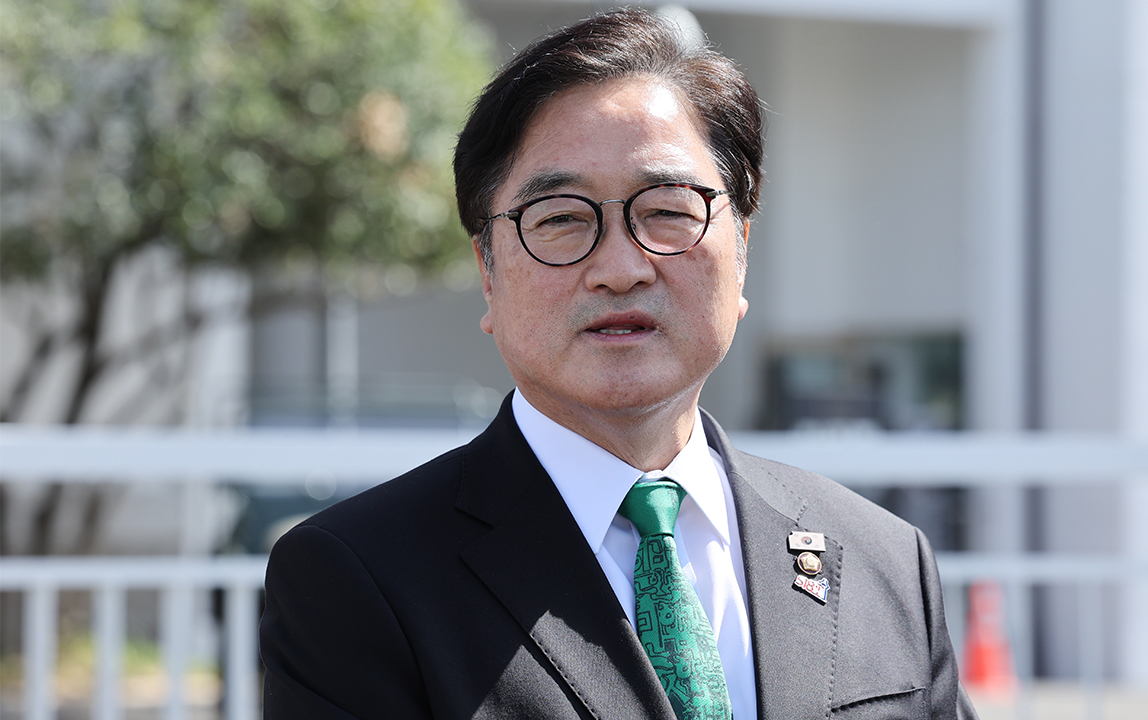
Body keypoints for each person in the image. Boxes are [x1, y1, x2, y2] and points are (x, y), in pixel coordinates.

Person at [259, 9, 978, 720]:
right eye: (561, 219)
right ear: (488, 272)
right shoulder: (358, 577)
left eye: (667, 210)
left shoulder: (883, 560)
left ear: (741, 249)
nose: (621, 268)